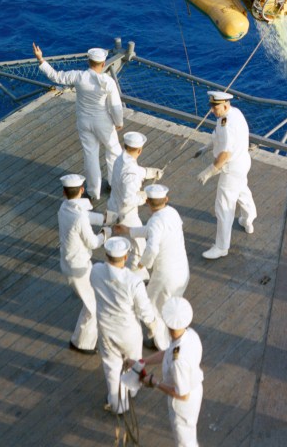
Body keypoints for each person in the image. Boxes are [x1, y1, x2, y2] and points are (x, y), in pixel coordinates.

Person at [34, 43, 123, 200]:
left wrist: (41, 59)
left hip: (84, 121)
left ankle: (93, 192)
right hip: (103, 122)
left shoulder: (78, 76)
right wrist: (119, 122)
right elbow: (115, 107)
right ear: (103, 64)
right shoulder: (108, 82)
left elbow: (56, 76)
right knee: (114, 151)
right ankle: (113, 183)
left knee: (90, 155)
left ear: (89, 62)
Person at [90, 236, 168, 414]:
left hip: (107, 330)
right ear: (125, 257)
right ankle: (132, 390)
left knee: (112, 367)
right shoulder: (134, 282)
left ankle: (118, 404)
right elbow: (145, 310)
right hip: (129, 332)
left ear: (107, 255)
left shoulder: (95, 271)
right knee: (134, 360)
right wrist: (152, 325)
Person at [196, 90, 256, 260]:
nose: (212, 110)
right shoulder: (233, 114)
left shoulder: (227, 124)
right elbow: (221, 139)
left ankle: (222, 247)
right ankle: (248, 218)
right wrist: (206, 148)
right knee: (241, 191)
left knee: (223, 208)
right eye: (212, 106)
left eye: (216, 107)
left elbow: (225, 155)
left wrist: (208, 172)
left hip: (231, 168)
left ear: (225, 104)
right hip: (243, 162)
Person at [139, 296, 204, 447]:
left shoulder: (178, 360)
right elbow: (167, 352)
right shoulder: (191, 335)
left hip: (183, 404)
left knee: (185, 442)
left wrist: (155, 382)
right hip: (195, 388)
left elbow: (182, 394)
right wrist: (143, 361)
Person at [118, 184, 189, 316]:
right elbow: (152, 231)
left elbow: (152, 248)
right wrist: (128, 230)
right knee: (172, 309)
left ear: (147, 202)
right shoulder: (173, 213)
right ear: (166, 199)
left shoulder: (155, 222)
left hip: (166, 276)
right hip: (182, 271)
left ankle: (158, 336)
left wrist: (142, 264)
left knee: (153, 309)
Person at [57, 173, 106, 354]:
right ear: (82, 190)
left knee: (92, 300)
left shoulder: (64, 208)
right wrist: (105, 233)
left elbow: (83, 215)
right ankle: (81, 343)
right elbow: (93, 242)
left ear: (64, 192)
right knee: (93, 306)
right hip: (79, 267)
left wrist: (103, 218)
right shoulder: (79, 216)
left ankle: (83, 339)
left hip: (70, 263)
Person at [106, 131, 164, 263]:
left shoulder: (120, 159)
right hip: (126, 214)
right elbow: (128, 199)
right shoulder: (131, 172)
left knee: (119, 243)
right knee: (139, 246)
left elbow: (137, 170)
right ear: (140, 150)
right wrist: (144, 196)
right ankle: (135, 272)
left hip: (112, 206)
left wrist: (152, 172)